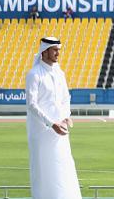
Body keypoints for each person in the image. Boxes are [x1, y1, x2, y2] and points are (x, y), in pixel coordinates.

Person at [26, 36, 82, 199]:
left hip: (60, 130)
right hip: (41, 132)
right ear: (44, 51)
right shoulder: (34, 74)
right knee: (44, 169)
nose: (58, 53)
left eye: (59, 50)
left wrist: (66, 116)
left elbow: (66, 98)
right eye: (54, 50)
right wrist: (52, 124)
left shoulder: (60, 73)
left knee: (63, 166)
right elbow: (32, 104)